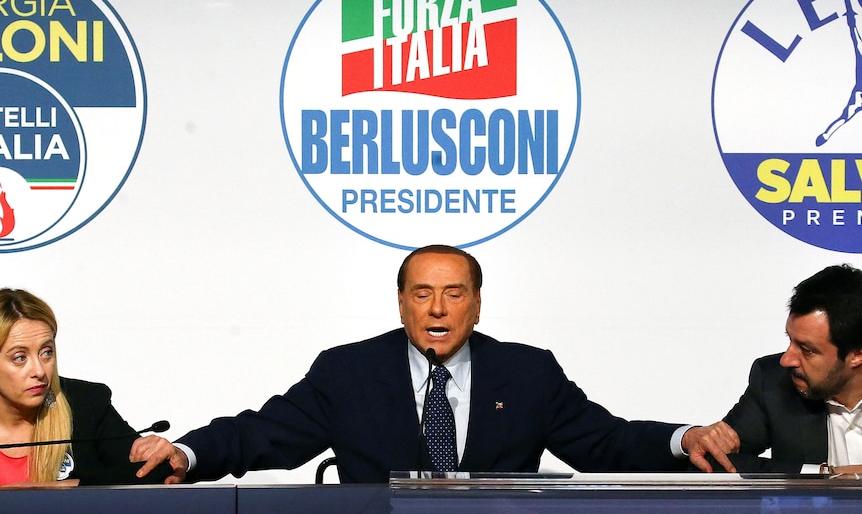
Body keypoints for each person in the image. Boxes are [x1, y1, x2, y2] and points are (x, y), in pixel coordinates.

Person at [131, 244, 735, 483]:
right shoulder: (349, 373)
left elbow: (605, 441)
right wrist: (186, 451)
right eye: (422, 293)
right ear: (401, 303)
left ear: (476, 304)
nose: (437, 309)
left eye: (454, 294)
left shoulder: (527, 373)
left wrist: (685, 439)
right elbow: (262, 433)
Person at [0, 288, 171, 486]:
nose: (39, 371)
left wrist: (61, 487)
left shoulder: (85, 404)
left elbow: (152, 471)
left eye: (46, 352)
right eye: (20, 358)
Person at [718, 264, 862, 473]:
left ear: (857, 354)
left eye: (807, 350)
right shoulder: (774, 383)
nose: (786, 360)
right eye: (790, 339)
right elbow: (713, 463)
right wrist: (823, 475)